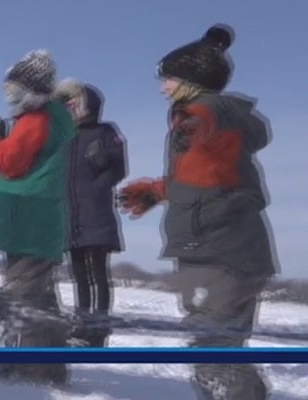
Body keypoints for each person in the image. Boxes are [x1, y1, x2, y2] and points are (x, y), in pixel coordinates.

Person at [118, 25, 276, 400]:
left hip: (219, 250)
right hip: (220, 247)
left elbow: (204, 181)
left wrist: (161, 188)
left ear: (192, 80)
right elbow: (202, 177)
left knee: (212, 346)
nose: (163, 88)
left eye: (169, 79)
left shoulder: (204, 113)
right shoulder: (206, 117)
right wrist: (157, 191)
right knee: (217, 342)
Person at [0, 49, 75, 387]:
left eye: (14, 90)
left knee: (23, 298)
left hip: (30, 220)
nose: (9, 97)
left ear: (32, 90)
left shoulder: (37, 120)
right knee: (41, 298)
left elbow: (10, 162)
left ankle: (30, 372)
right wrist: (1, 134)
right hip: (37, 220)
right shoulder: (50, 118)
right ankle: (50, 366)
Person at [54, 79, 128, 347]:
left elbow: (118, 169)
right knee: (78, 275)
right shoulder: (64, 138)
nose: (69, 108)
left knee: (97, 274)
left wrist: (96, 186)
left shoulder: (105, 132)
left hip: (96, 215)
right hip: (70, 216)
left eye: (73, 102)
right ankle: (82, 324)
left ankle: (98, 330)